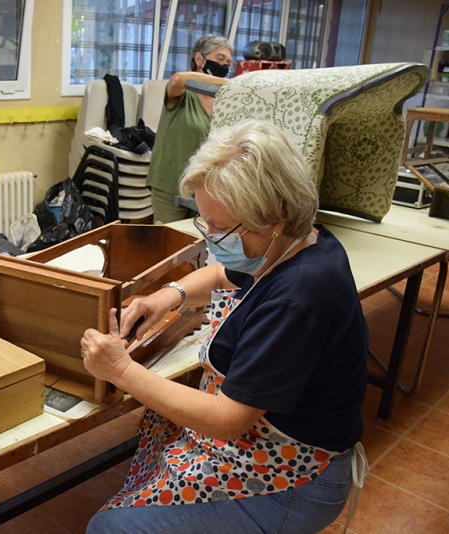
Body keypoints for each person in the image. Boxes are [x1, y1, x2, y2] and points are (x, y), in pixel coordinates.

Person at [81, 119, 368, 533]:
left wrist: (121, 371)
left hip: (295, 476)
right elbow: (221, 276)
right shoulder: (294, 245)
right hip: (269, 449)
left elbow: (226, 418)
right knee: (162, 447)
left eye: (221, 227)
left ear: (277, 217)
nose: (212, 238)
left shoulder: (298, 294)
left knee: (108, 530)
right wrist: (165, 296)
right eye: (205, 221)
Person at [147, 34, 234, 224]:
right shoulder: (182, 94)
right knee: (169, 243)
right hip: (170, 183)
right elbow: (178, 79)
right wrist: (232, 84)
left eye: (228, 62)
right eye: (220, 58)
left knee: (196, 245)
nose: (225, 66)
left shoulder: (223, 102)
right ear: (199, 59)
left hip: (204, 188)